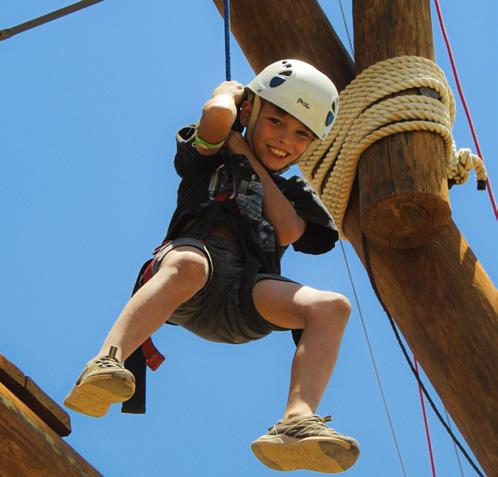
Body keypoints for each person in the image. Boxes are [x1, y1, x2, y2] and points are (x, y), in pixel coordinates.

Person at [64, 59, 359, 473]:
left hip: (245, 294)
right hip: (190, 277)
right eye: (276, 121)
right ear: (249, 111)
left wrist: (247, 155)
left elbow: (289, 230)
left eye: (301, 135)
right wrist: (229, 94)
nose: (285, 140)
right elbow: (217, 117)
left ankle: (296, 419)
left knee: (332, 307)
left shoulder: (291, 192)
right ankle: (107, 360)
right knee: (189, 265)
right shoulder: (210, 154)